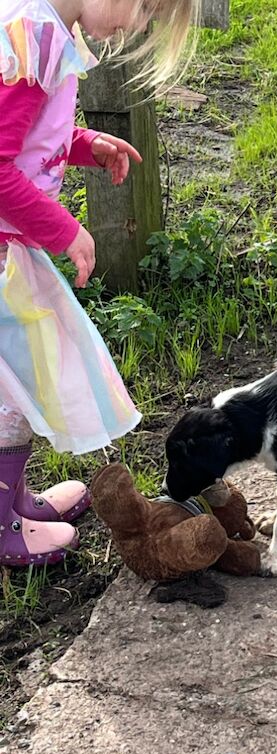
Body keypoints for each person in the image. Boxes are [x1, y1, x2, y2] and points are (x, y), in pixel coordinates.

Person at [0, 0, 198, 566]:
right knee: (12, 388)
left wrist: (85, 144)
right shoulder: (30, 38)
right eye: (144, 7)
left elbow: (25, 132)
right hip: (4, 251)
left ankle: (15, 501)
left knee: (22, 380)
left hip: (11, 247)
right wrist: (64, 229)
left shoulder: (42, 27)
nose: (138, 25)